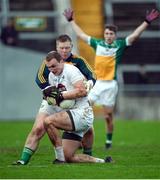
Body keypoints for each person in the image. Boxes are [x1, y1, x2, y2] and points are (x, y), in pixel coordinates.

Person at [63, 8, 160, 149]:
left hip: (110, 85)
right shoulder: (98, 44)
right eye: (106, 33)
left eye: (111, 34)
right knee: (82, 108)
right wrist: (71, 20)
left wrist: (146, 22)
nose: (108, 36)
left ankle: (108, 142)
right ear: (104, 34)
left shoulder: (119, 45)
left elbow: (134, 35)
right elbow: (81, 35)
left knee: (108, 116)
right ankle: (79, 139)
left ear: (115, 36)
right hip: (96, 83)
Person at [13, 35, 95, 165]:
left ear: (71, 47)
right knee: (39, 127)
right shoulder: (50, 61)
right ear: (57, 48)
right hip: (52, 98)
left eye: (67, 48)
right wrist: (51, 91)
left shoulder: (78, 62)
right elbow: (39, 77)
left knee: (88, 128)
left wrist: (90, 83)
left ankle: (88, 155)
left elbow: (92, 74)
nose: (64, 51)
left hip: (74, 99)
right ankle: (23, 160)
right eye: (61, 48)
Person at [41, 51, 112, 163]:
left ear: (61, 61)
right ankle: (103, 161)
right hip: (71, 115)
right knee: (68, 157)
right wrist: (48, 97)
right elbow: (57, 99)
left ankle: (59, 160)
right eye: (49, 67)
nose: (52, 69)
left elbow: (82, 91)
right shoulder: (51, 76)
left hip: (82, 113)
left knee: (48, 122)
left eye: (54, 66)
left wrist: (60, 95)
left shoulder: (71, 71)